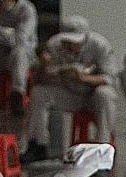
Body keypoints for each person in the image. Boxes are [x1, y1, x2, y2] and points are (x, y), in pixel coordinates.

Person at [21, 17, 118, 164]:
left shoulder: (100, 45)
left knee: (105, 94)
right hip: (69, 92)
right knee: (38, 93)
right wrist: (43, 67)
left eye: (75, 42)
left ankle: (102, 147)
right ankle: (39, 144)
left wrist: (83, 78)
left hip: (93, 94)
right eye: (67, 42)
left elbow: (110, 78)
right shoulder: (53, 46)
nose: (71, 45)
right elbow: (39, 80)